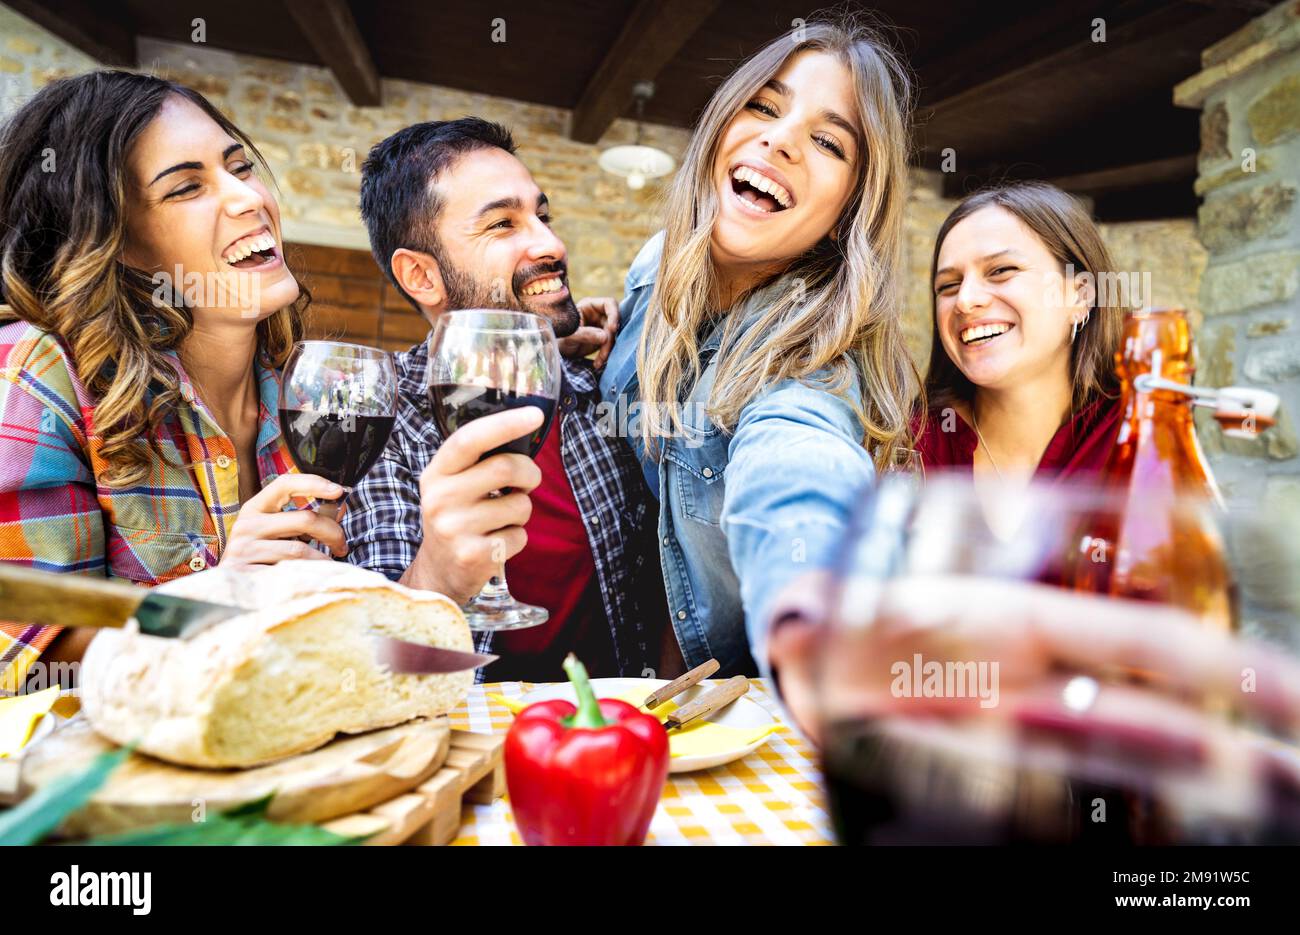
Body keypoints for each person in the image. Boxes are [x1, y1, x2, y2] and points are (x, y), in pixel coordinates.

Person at [0, 71, 347, 693]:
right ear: (116, 241)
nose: (247, 198)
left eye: (239, 168)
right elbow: (19, 657)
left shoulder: (295, 389)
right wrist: (217, 599)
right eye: (187, 187)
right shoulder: (40, 372)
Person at [599, 19, 917, 677]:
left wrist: (815, 627)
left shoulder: (808, 369)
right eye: (765, 105)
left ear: (850, 210)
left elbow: (799, 470)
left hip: (730, 722)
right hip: (616, 685)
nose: (781, 138)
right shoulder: (655, 265)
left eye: (829, 141)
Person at [344, 118, 667, 682]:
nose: (550, 244)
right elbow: (379, 671)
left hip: (627, 735)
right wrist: (439, 576)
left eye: (541, 216)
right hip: (472, 750)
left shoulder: (601, 391)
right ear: (421, 275)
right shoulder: (378, 425)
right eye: (502, 224)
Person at [914, 182, 1125, 485]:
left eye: (1001, 270)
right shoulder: (909, 446)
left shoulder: (1137, 435)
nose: (965, 299)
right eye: (947, 286)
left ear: (1080, 295)